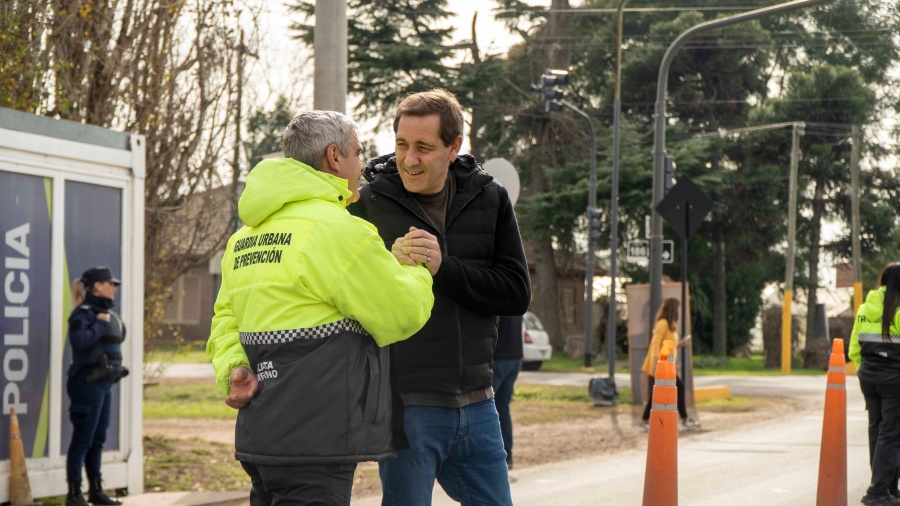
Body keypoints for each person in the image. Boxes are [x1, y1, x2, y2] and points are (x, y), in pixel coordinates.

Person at [207, 110, 435, 506]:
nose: (363, 166)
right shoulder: (337, 230)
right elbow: (401, 312)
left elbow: (225, 319)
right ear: (334, 157)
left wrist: (234, 369)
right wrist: (418, 269)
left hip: (261, 434)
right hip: (317, 438)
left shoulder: (244, 238)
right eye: (358, 153)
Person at [348, 89, 532, 505]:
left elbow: (516, 293)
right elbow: (348, 300)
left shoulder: (491, 197)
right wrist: (385, 267)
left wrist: (443, 267)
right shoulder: (366, 204)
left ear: (454, 147)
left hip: (479, 404)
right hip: (407, 407)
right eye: (401, 145)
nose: (409, 159)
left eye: (424, 148)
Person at [65, 266, 128, 506]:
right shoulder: (83, 313)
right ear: (97, 286)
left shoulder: (108, 314)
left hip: (105, 384)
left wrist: (109, 322)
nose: (113, 288)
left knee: (98, 438)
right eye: (110, 283)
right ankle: (73, 493)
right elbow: (79, 342)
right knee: (83, 438)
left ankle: (96, 490)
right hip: (87, 383)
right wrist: (100, 324)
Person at [850, 262, 900, 506]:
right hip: (894, 380)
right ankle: (878, 491)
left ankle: (887, 487)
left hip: (869, 378)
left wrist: (864, 371)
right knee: (891, 434)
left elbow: (853, 348)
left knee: (878, 431)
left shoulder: (863, 308)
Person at [639, 297, 700, 432]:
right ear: (673, 310)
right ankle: (683, 419)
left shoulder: (671, 325)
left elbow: (667, 345)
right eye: (677, 309)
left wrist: (679, 345)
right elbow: (655, 343)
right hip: (661, 364)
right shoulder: (662, 323)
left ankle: (645, 420)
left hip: (667, 364)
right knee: (675, 389)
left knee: (661, 393)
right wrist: (655, 361)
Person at [493, 315, 524, 470]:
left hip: (498, 357)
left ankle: (491, 458)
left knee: (483, 407)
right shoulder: (515, 293)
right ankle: (507, 456)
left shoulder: (496, 295)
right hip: (515, 357)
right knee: (502, 409)